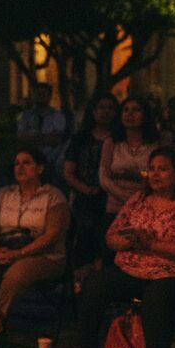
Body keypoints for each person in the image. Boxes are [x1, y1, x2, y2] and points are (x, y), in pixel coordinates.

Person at [57, 148, 175, 348]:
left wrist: (152, 245)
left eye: (163, 169)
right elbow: (112, 236)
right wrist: (129, 241)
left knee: (157, 298)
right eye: (152, 169)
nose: (155, 174)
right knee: (97, 282)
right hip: (134, 267)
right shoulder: (139, 199)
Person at [0, 149, 69, 348]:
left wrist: (20, 254)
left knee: (16, 274)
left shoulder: (53, 196)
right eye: (16, 163)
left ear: (40, 168)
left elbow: (52, 234)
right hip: (7, 247)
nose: (20, 167)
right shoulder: (5, 194)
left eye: (26, 163)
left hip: (43, 255)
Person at [98, 96, 159, 261]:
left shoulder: (155, 144)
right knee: (111, 256)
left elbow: (157, 175)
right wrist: (125, 197)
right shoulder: (112, 143)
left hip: (146, 206)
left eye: (136, 110)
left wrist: (134, 176)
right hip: (115, 207)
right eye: (126, 110)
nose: (130, 114)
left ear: (145, 115)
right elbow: (104, 177)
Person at [62, 94, 119, 265]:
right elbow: (69, 171)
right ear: (93, 112)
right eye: (101, 107)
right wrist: (86, 189)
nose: (106, 112)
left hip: (114, 197)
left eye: (110, 108)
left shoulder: (119, 140)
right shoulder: (81, 139)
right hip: (85, 198)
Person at [16, 82, 67, 167]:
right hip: (29, 160)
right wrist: (45, 137)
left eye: (43, 94)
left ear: (50, 96)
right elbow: (21, 136)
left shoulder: (58, 116)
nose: (40, 97)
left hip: (51, 159)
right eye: (38, 94)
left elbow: (55, 139)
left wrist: (33, 136)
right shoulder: (25, 115)